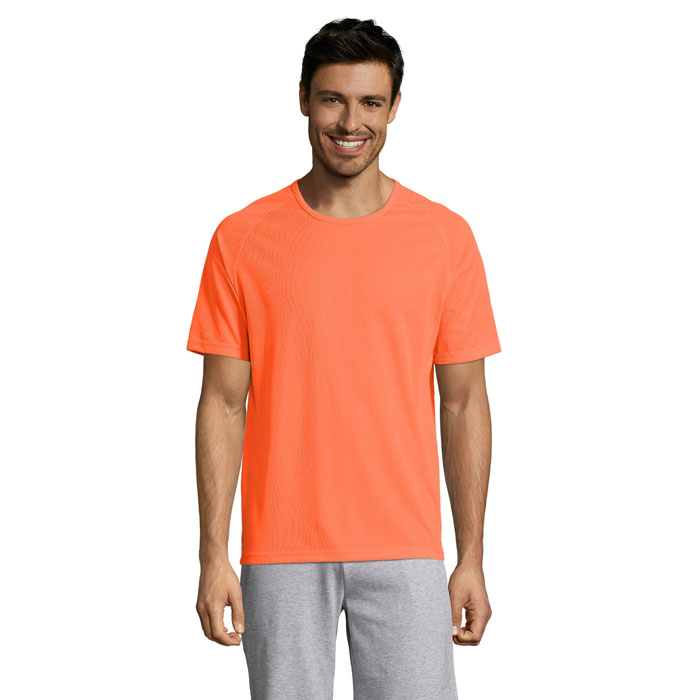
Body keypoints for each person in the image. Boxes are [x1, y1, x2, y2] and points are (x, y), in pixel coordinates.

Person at [186, 17, 502, 700]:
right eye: (332, 99)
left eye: (370, 102)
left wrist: (471, 555)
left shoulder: (444, 238)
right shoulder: (241, 239)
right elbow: (223, 403)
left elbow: (464, 402)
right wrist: (213, 554)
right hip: (281, 549)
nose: (350, 122)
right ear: (303, 98)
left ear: (394, 107)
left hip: (407, 546)